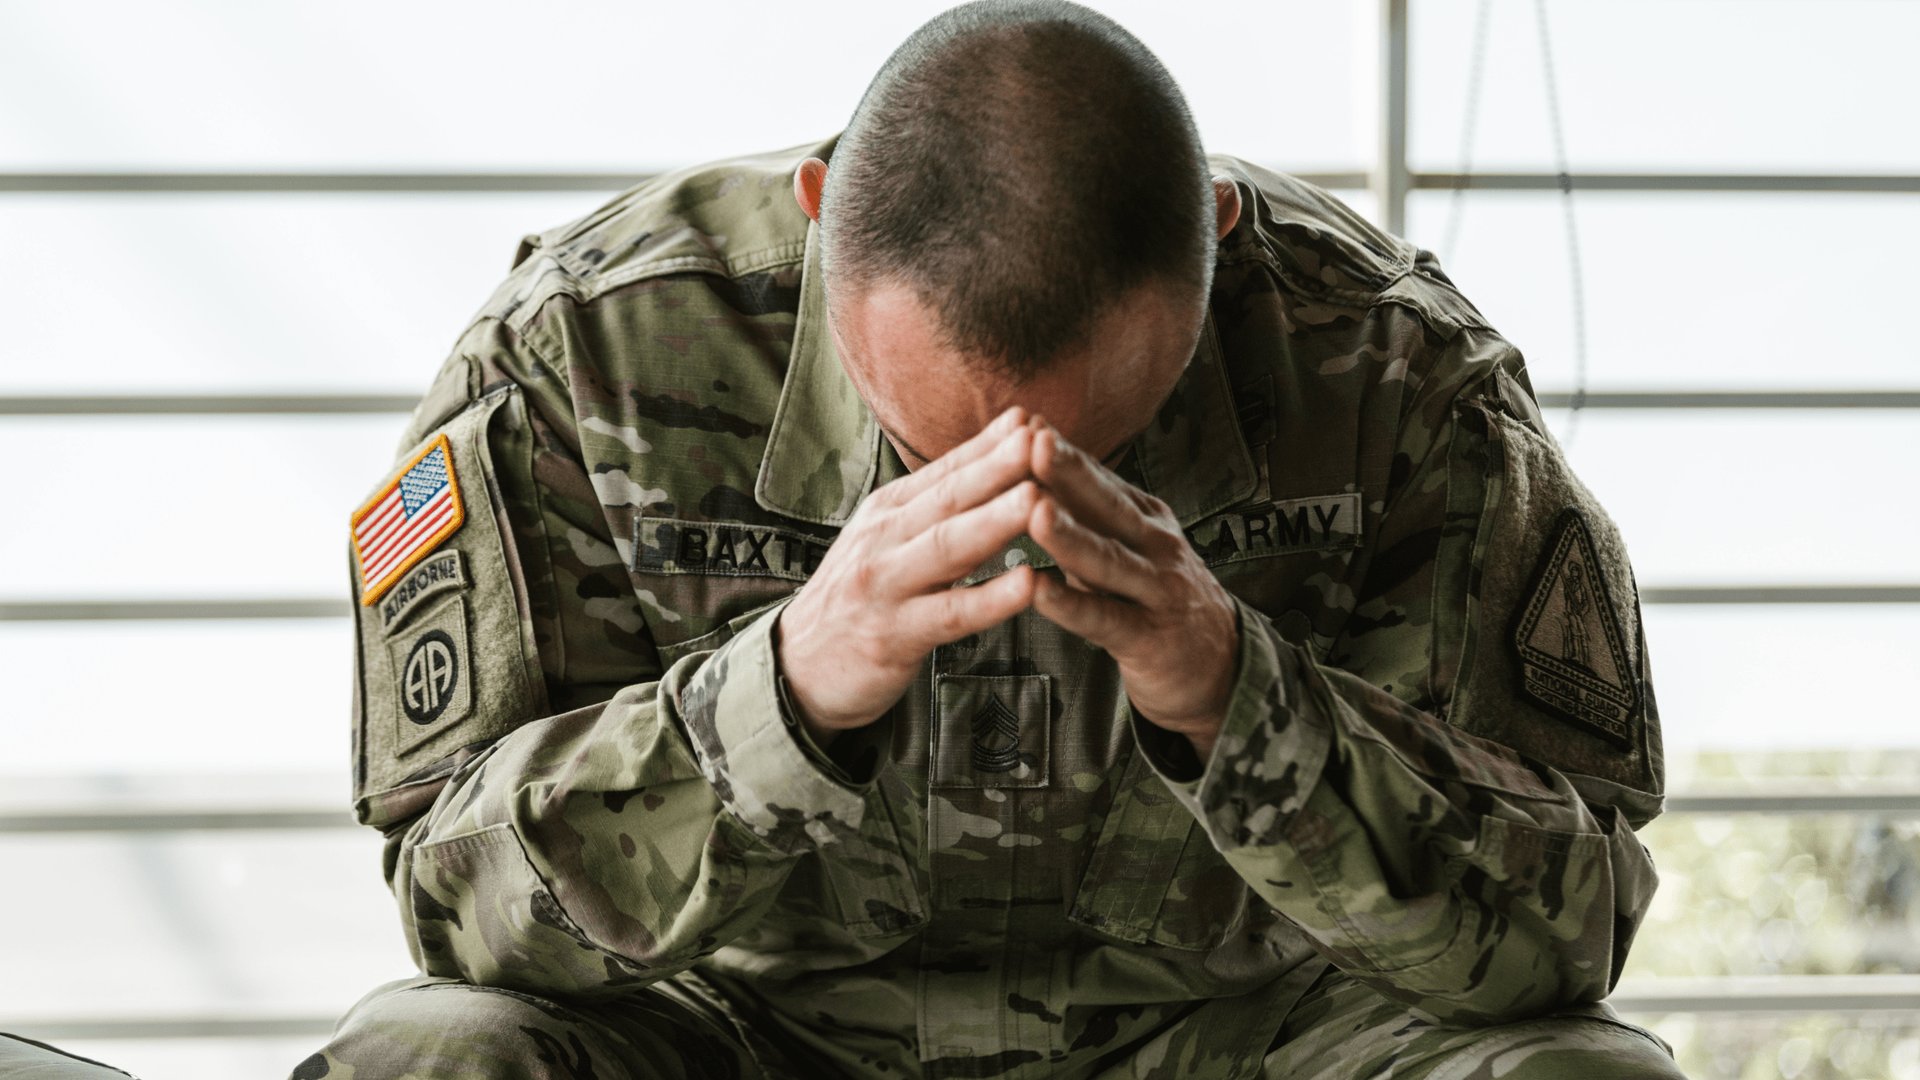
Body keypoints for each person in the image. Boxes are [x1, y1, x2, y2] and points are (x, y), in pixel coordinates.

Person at [298, 2, 1682, 1076]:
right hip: (750, 1035)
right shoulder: (585, 359)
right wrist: (778, 696)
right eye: (922, 440)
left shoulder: (1394, 376)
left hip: (1234, 1036)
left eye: (1096, 445)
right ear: (824, 214)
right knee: (426, 1061)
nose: (1004, 501)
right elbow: (455, 902)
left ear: (1218, 242)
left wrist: (1240, 701)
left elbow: (1568, 928)